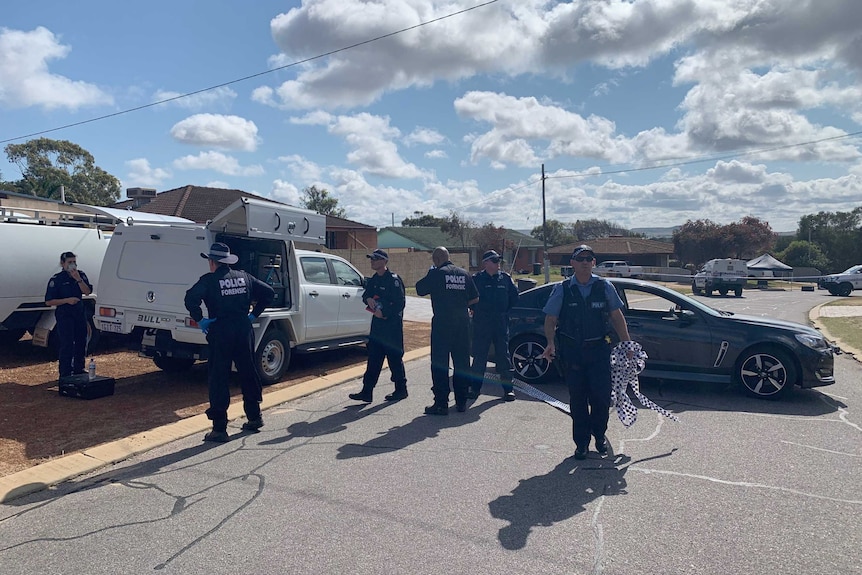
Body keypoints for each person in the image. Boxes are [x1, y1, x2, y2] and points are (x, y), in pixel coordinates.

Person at [540, 245, 632, 460]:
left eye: (588, 258)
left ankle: (599, 436)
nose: (584, 262)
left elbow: (617, 317)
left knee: (600, 398)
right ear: (572, 263)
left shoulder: (604, 287)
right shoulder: (563, 289)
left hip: (599, 351)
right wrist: (550, 342)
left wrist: (627, 343)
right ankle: (581, 444)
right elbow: (550, 319)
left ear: (593, 262)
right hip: (573, 353)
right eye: (579, 258)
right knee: (578, 400)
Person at [184, 242, 274, 443]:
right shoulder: (244, 277)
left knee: (219, 377)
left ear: (212, 262)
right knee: (248, 372)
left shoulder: (209, 281)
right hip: (243, 329)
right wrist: (253, 316)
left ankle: (219, 428)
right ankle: (254, 417)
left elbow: (190, 298)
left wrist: (200, 320)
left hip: (221, 330)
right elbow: (269, 293)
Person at [415, 246, 479, 415]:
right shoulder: (464, 274)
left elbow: (419, 289)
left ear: (436, 260)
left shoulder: (436, 274)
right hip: (463, 324)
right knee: (462, 363)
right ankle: (461, 402)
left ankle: (441, 403)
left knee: (440, 364)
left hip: (443, 324)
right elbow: (475, 297)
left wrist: (431, 273)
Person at [348, 249, 408, 403]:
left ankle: (401, 389)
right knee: (374, 359)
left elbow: (400, 303)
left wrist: (385, 312)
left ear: (384, 262)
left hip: (391, 326)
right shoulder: (374, 279)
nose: (372, 261)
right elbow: (365, 295)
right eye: (372, 259)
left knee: (394, 358)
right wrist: (368, 299)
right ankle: (367, 391)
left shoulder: (394, 280)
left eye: (375, 259)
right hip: (377, 327)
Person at [468, 249, 520, 402]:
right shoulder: (477, 279)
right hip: (481, 323)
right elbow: (469, 298)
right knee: (479, 357)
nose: (498, 264)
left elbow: (514, 298)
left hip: (500, 323)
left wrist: (503, 312)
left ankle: (508, 390)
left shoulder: (505, 279)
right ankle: (475, 389)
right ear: (486, 263)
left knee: (503, 357)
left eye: (499, 261)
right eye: (495, 261)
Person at [44, 251, 93, 379]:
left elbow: (87, 292)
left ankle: (79, 369)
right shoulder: (57, 279)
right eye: (69, 262)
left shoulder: (81, 275)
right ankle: (65, 373)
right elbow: (49, 301)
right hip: (64, 314)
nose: (72, 265)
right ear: (62, 263)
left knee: (81, 341)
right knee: (67, 343)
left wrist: (78, 279)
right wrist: (67, 300)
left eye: (74, 262)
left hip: (79, 313)